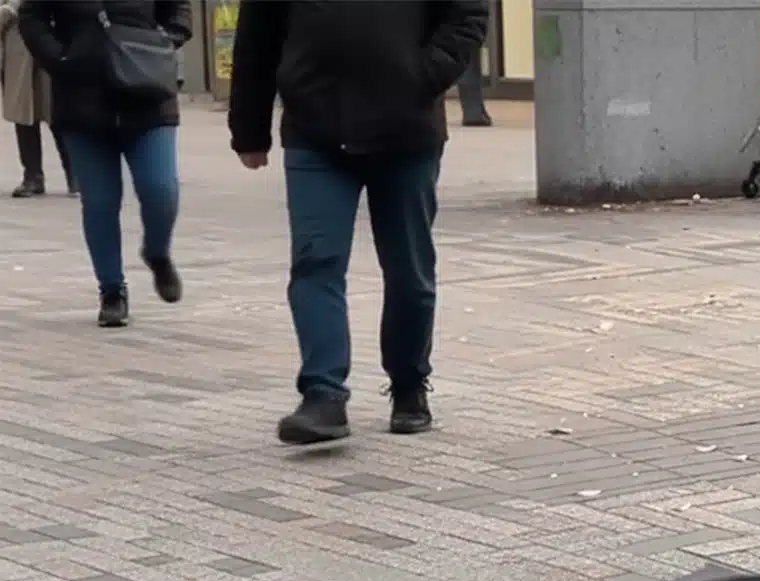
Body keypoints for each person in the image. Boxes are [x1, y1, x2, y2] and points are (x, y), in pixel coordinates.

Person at [226, 0, 489, 445]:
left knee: (409, 271)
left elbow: (467, 16)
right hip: (315, 132)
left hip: (406, 133)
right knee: (315, 262)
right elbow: (257, 36)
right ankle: (323, 394)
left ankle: (409, 384)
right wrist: (249, 127)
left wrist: (418, 75)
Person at [16, 0, 188, 329]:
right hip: (82, 101)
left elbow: (179, 6)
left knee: (161, 189)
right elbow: (32, 15)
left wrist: (166, 38)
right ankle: (112, 291)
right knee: (99, 202)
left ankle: (157, 252)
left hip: (147, 92)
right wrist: (59, 57)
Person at [1, 0, 69, 198]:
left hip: (48, 35)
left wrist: (9, 9)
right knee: (23, 112)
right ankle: (32, 176)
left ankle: (75, 175)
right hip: (16, 44)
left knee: (56, 111)